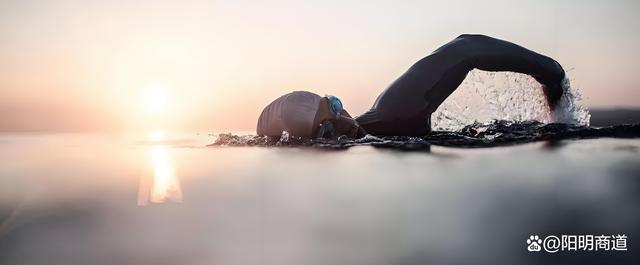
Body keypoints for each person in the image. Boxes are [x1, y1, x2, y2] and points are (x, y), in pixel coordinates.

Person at [257, 34, 565, 138]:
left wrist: (549, 73)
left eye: (335, 105)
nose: (344, 121)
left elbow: (465, 47)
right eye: (327, 129)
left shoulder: (394, 112)